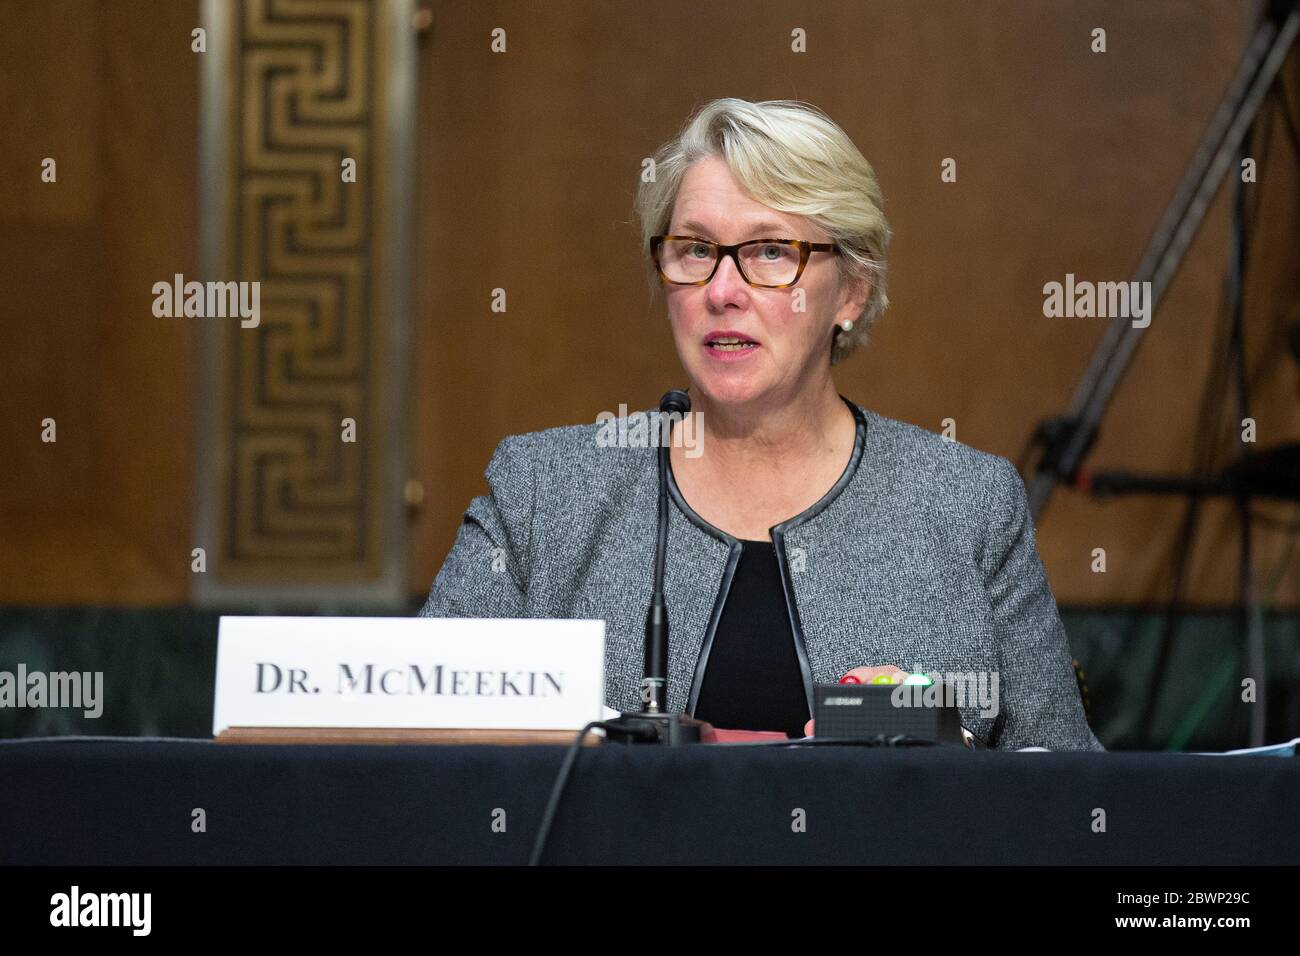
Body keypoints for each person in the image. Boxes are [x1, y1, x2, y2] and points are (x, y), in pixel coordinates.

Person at [421, 97, 1102, 750]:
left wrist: (934, 758)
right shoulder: (541, 494)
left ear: (853, 291)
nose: (722, 291)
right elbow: (412, 740)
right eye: (695, 250)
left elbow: (1071, 797)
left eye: (771, 251)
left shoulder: (967, 506)